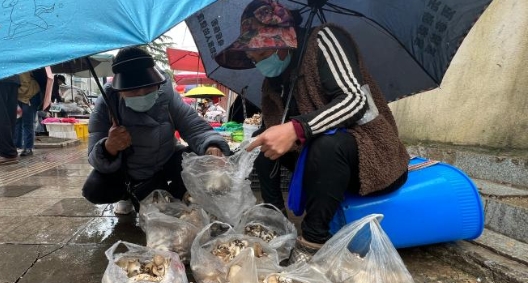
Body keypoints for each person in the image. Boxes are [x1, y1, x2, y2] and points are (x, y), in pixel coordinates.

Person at [215, 0, 409, 263]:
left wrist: (297, 128)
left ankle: (313, 241)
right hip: (319, 167)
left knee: (326, 145)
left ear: (283, 43)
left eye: (262, 54)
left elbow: (354, 100)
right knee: (263, 152)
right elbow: (272, 131)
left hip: (369, 152)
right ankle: (275, 223)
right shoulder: (275, 81)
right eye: (252, 57)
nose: (258, 62)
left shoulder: (325, 39)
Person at [82, 46, 230, 214]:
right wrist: (109, 147)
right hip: (128, 172)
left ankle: (175, 194)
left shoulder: (168, 96)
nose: (142, 94)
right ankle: (125, 196)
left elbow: (194, 127)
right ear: (119, 90)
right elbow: (94, 157)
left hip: (164, 163)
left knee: (197, 162)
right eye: (133, 90)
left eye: (149, 87)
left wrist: (212, 146)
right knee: (95, 188)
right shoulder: (107, 104)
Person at [15, 71, 41, 156]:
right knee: (17, 121)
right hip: (19, 97)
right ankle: (16, 145)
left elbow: (25, 84)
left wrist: (13, 92)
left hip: (29, 96)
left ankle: (28, 148)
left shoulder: (22, 69)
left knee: (27, 122)